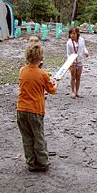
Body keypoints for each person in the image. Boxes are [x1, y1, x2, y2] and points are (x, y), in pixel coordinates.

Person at [17, 43, 58, 172]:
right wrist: (56, 83)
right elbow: (51, 90)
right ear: (40, 58)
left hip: (21, 110)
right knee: (38, 136)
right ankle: (42, 162)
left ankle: (31, 163)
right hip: (35, 110)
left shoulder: (22, 70)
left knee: (27, 137)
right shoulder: (43, 74)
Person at [66, 28, 89, 98]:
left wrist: (86, 52)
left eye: (74, 34)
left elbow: (84, 47)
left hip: (80, 60)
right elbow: (68, 54)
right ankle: (73, 91)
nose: (72, 35)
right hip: (72, 61)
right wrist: (70, 63)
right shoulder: (69, 42)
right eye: (71, 34)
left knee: (78, 77)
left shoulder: (81, 40)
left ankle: (77, 91)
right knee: (73, 77)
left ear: (77, 34)